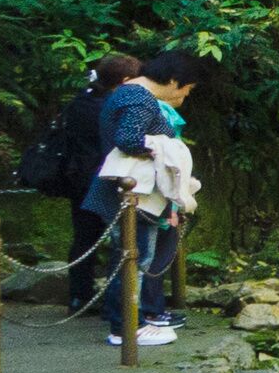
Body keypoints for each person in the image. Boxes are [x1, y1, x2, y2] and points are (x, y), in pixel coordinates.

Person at [82, 48, 210, 348]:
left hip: (130, 195)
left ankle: (129, 321)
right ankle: (126, 328)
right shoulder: (139, 98)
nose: (186, 95)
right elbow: (129, 139)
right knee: (134, 257)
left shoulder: (129, 94)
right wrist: (165, 151)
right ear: (174, 80)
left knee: (131, 256)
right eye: (188, 88)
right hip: (133, 196)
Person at [34, 53, 144, 320]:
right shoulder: (114, 107)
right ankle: (118, 304)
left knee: (84, 238)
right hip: (110, 178)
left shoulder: (80, 101)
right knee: (124, 240)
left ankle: (79, 296)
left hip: (79, 177)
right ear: (125, 80)